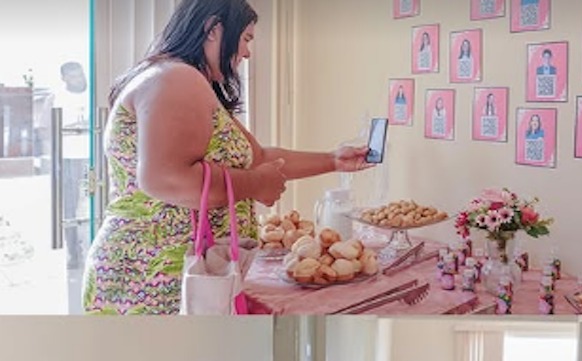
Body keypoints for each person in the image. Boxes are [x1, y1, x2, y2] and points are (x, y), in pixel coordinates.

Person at [83, 0, 372, 314]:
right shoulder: (177, 79)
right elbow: (164, 179)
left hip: (178, 272)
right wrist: (254, 185)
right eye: (246, 38)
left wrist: (333, 160)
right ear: (213, 29)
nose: (247, 53)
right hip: (152, 274)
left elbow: (258, 158)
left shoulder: (183, 80)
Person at [55, 61, 90, 269]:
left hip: (92, 155)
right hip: (69, 157)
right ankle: (73, 253)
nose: (78, 79)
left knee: (93, 204)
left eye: (80, 74)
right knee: (70, 205)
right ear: (64, 78)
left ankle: (90, 248)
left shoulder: (93, 91)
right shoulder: (59, 97)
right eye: (73, 76)